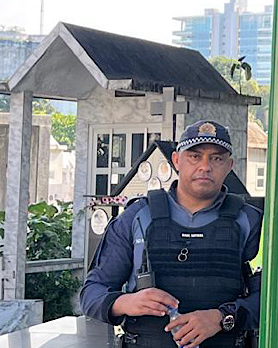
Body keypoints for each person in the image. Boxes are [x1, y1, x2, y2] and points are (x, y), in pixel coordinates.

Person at [80, 121, 262, 348]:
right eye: (195, 156)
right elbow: (91, 294)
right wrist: (126, 302)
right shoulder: (138, 217)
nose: (205, 166)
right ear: (176, 160)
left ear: (229, 166)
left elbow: (268, 299)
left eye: (216, 158)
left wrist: (222, 317)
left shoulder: (251, 221)